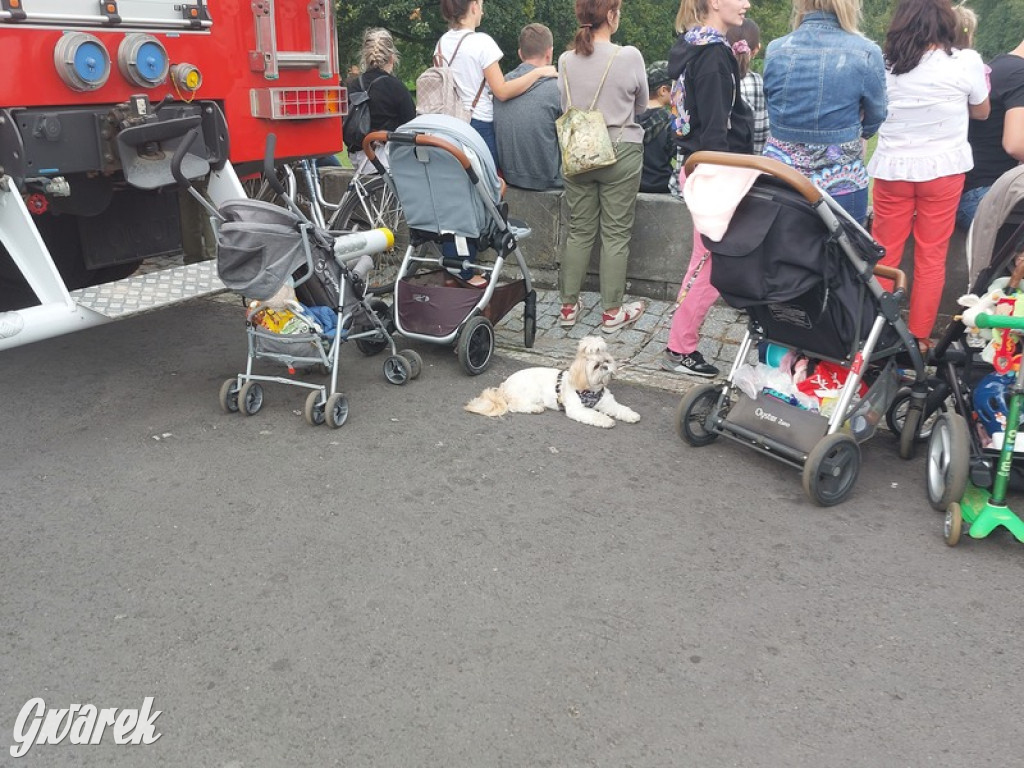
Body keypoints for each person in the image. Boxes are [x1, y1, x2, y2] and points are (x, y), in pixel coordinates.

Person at [868, 0, 990, 353]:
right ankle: (919, 337)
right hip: (943, 169)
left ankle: (877, 330)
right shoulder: (966, 60)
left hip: (893, 168)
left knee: (885, 254)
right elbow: (982, 111)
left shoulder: (884, 61)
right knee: (931, 256)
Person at [660, 0, 754, 377]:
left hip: (696, 167)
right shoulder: (714, 55)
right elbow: (717, 131)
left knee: (706, 261)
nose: (747, 3)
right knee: (709, 265)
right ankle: (679, 348)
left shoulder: (691, 44)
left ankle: (679, 344)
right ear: (715, 3)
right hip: (712, 173)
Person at [556, 0, 647, 333]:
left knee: (578, 231)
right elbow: (640, 104)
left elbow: (564, 104)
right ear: (610, 15)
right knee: (616, 235)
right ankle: (611, 313)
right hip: (620, 150)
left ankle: (567, 307)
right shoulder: (628, 55)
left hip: (578, 153)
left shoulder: (565, 60)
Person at [762, 0, 886, 224]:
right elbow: (877, 113)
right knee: (845, 252)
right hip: (840, 178)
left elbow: (772, 104)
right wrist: (857, 134)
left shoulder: (776, 49)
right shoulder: (866, 52)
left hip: (781, 178)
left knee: (781, 251)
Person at [436, 0, 556, 171]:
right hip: (478, 123)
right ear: (474, 6)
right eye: (482, 6)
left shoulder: (442, 43)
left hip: (451, 123)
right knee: (489, 183)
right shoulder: (481, 42)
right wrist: (538, 72)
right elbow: (502, 91)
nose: (482, 13)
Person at [958, 40, 1024, 230]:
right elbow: (1015, 144)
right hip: (989, 196)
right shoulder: (1019, 74)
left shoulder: (998, 67)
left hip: (974, 191)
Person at [493, 23, 563, 191]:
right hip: (546, 180)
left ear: (519, 53)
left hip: (510, 177)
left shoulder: (503, 84)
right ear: (549, 53)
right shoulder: (557, 87)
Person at [343, 28, 416, 171]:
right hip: (385, 158)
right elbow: (411, 125)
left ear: (366, 57)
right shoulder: (396, 88)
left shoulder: (353, 85)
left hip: (357, 157)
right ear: (392, 58)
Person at [727, 18, 768, 156]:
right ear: (756, 49)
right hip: (742, 165)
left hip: (706, 165)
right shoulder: (756, 82)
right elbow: (761, 134)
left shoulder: (712, 76)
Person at [637, 61, 675, 193]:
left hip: (632, 183)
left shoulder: (630, 117)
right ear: (663, 90)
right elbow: (677, 152)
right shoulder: (670, 121)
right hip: (661, 184)